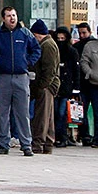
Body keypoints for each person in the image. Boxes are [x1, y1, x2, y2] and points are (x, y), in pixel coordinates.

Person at [0, 6, 40, 157]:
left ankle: (26, 144)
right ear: (3, 18)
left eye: (14, 15)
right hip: (2, 77)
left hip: (21, 77)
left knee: (23, 112)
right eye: (8, 16)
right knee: (3, 112)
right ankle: (3, 143)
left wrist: (27, 62)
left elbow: (36, 50)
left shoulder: (25, 33)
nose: (12, 18)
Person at [29, 20, 61, 155]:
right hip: (49, 84)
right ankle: (48, 143)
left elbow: (49, 69)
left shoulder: (47, 46)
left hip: (46, 85)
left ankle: (38, 143)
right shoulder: (48, 43)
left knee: (41, 116)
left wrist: (41, 86)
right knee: (48, 116)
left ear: (37, 34)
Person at [52, 26, 80, 148]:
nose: (60, 40)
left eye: (63, 38)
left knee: (62, 113)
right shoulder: (54, 50)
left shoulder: (72, 52)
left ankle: (62, 137)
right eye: (58, 38)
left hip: (66, 88)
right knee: (55, 113)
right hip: (55, 87)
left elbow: (76, 70)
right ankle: (57, 136)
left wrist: (76, 87)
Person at [73, 22, 95, 146]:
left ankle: (92, 135)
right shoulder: (77, 46)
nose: (82, 35)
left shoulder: (94, 44)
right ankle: (85, 135)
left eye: (84, 33)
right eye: (80, 33)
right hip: (82, 83)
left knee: (96, 111)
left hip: (94, 82)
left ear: (89, 32)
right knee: (82, 110)